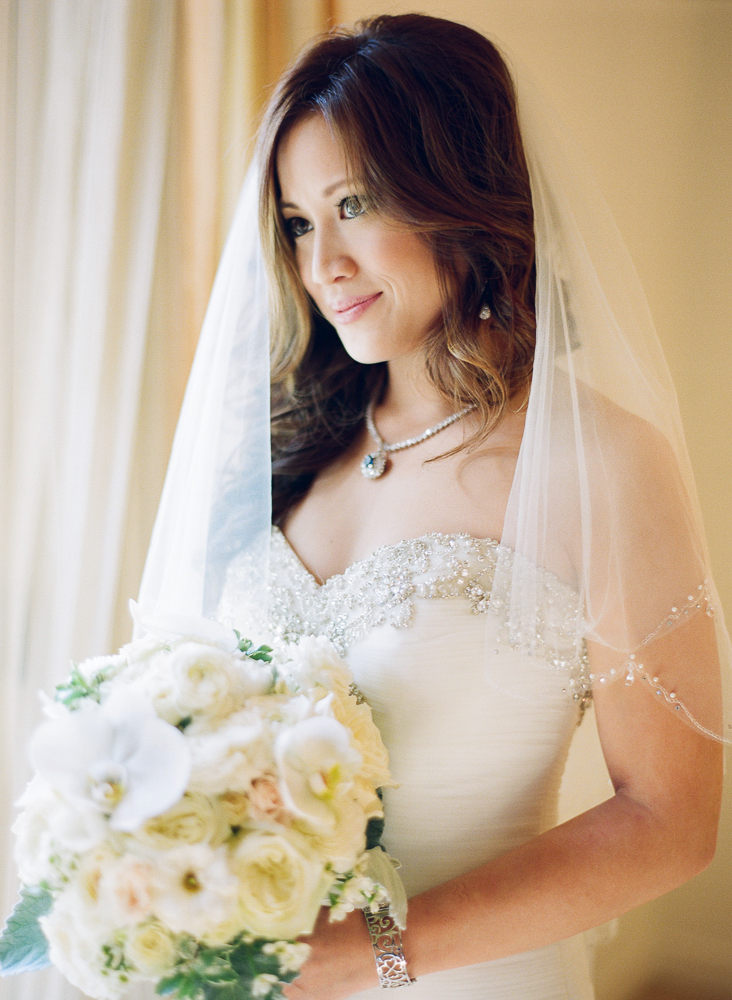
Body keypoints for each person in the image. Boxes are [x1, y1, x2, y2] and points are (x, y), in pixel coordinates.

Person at [139, 13, 729, 1000]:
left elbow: (670, 819)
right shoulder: (286, 455)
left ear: (458, 192)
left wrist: (368, 952)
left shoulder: (601, 464)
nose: (322, 264)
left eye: (354, 203)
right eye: (298, 223)